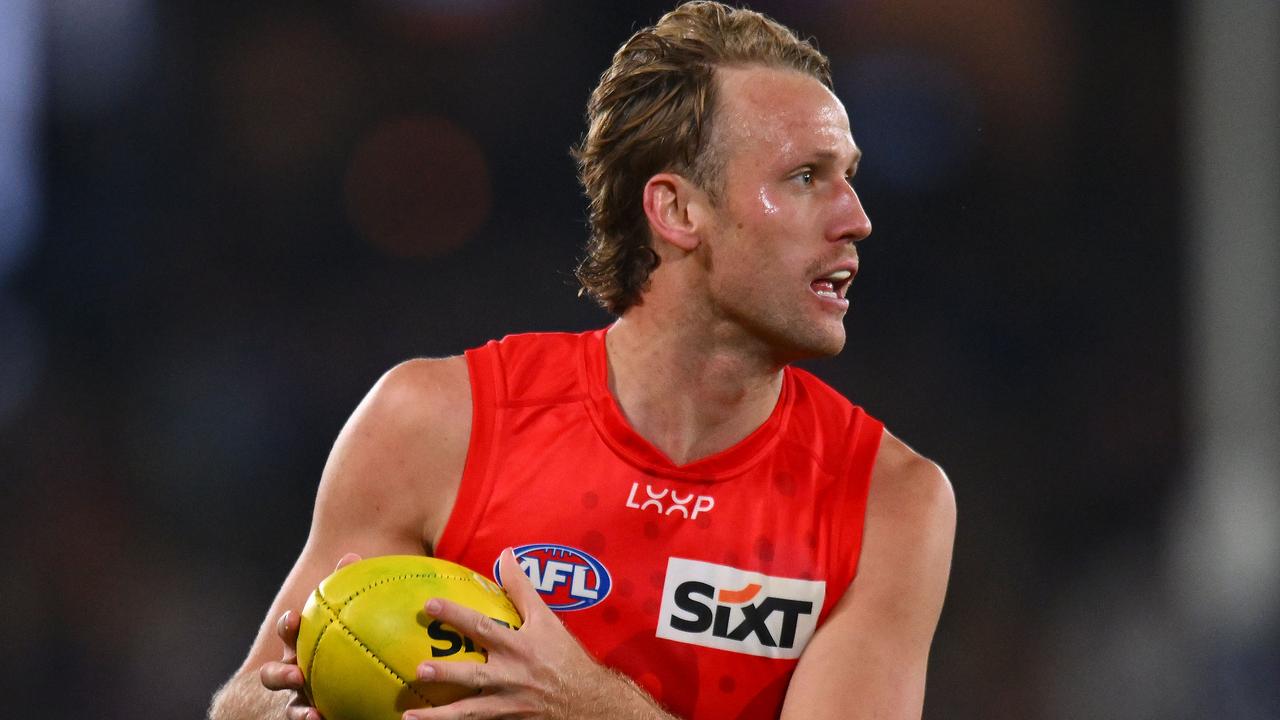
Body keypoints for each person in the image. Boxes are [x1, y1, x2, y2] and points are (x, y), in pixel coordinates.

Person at [208, 2, 955, 719]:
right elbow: (247, 699)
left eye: (848, 176)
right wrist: (295, 705)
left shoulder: (887, 504)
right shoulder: (438, 423)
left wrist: (589, 710)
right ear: (677, 211)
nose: (855, 218)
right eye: (804, 178)